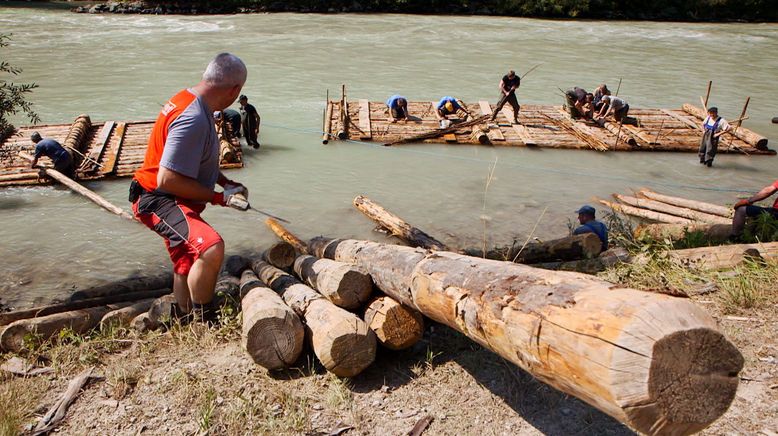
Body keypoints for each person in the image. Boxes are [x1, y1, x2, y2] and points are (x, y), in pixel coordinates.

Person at [130, 53, 249, 322]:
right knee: (211, 247)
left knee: (185, 259)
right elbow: (168, 179)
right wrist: (221, 198)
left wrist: (225, 182)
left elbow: (194, 158)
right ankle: (205, 320)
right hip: (158, 198)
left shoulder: (189, 99)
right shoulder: (193, 116)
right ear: (235, 90)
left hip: (166, 195)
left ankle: (183, 316)